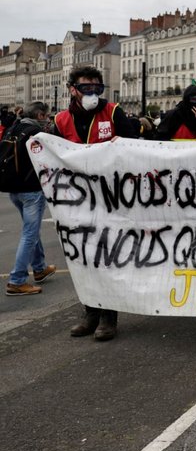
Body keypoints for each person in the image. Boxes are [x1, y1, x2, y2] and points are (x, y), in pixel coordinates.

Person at [54, 66, 136, 340]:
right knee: (83, 260)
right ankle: (90, 313)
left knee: (108, 258)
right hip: (76, 203)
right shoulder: (61, 120)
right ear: (73, 89)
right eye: (86, 88)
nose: (92, 93)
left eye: (96, 88)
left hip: (111, 199)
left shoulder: (113, 112)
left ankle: (108, 318)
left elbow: (134, 146)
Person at [3, 101, 57, 296]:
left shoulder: (13, 127)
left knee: (31, 230)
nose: (48, 120)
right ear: (40, 115)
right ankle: (17, 280)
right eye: (47, 116)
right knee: (29, 233)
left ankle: (40, 267)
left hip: (13, 189)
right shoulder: (36, 132)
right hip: (31, 188)